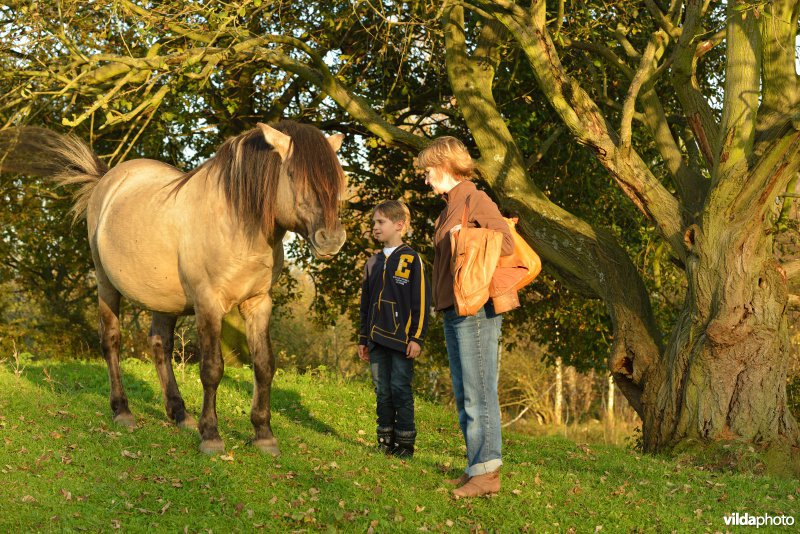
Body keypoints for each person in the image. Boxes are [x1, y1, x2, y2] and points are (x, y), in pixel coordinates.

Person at [417, 137, 513, 498]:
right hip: (454, 308)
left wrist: (468, 233)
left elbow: (505, 241)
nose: (425, 179)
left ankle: (488, 473)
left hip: (476, 308)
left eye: (428, 171)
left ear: (444, 165)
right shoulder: (449, 206)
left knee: (479, 391)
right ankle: (477, 467)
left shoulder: (474, 198)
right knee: (465, 392)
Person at [358, 200, 430, 457]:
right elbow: (365, 304)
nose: (375, 227)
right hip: (376, 340)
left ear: (399, 225)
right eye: (374, 222)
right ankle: (385, 440)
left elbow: (421, 301)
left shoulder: (412, 260)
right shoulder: (372, 263)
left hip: (402, 342)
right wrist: (363, 338)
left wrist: (417, 338)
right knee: (382, 391)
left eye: (380, 222)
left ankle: (405, 444)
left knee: (400, 389)